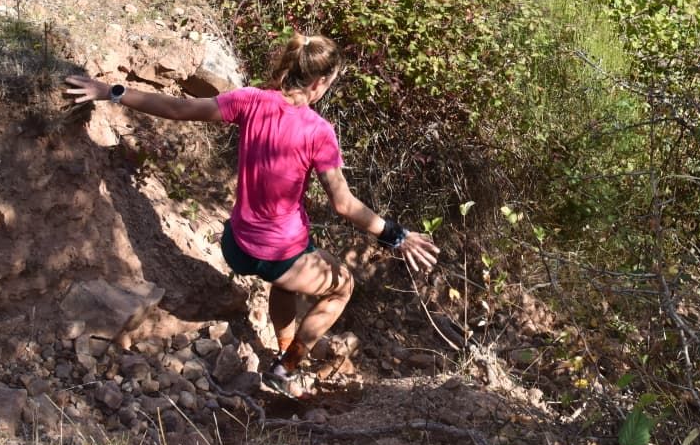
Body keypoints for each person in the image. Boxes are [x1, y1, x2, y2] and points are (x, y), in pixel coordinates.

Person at [65, 34, 440, 394]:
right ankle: (289, 363)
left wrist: (110, 90)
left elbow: (179, 109)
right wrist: (397, 236)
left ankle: (283, 344)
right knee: (342, 286)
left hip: (237, 246)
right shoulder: (319, 132)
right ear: (320, 82)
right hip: (277, 253)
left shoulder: (251, 101)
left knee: (287, 280)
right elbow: (343, 204)